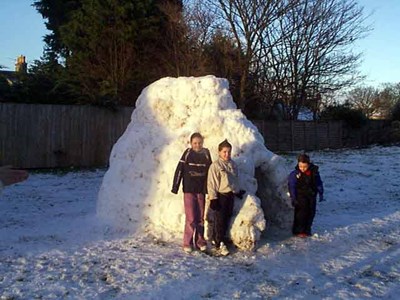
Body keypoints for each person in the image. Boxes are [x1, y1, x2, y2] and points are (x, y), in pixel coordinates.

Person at [171, 133, 212, 253]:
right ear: (191, 143)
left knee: (200, 217)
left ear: (202, 143)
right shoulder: (188, 153)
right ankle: (187, 242)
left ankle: (200, 241)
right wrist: (175, 186)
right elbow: (179, 169)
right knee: (191, 217)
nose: (197, 145)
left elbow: (211, 172)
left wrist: (210, 189)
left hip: (201, 191)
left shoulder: (206, 154)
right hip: (189, 190)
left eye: (199, 143)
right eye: (195, 143)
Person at [207, 139, 245, 256]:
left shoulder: (233, 164)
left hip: (230, 196)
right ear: (219, 152)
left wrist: (237, 191)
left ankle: (223, 238)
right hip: (220, 196)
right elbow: (212, 183)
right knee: (220, 220)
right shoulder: (216, 166)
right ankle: (218, 242)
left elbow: (235, 180)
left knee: (227, 218)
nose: (226, 154)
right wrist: (213, 198)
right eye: (224, 152)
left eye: (228, 152)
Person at [288, 153, 324, 237]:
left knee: (311, 212)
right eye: (300, 166)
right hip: (300, 196)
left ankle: (307, 229)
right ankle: (299, 231)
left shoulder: (314, 173)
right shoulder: (295, 174)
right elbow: (292, 186)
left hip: (311, 195)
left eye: (305, 166)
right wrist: (293, 197)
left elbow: (318, 183)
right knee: (301, 213)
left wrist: (321, 192)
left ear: (309, 164)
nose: (302, 169)